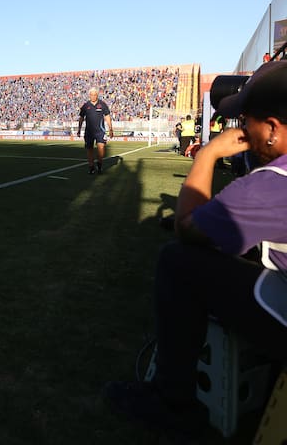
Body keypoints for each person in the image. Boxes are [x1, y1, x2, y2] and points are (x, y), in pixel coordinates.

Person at [103, 60, 287, 441]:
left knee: (178, 262)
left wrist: (206, 155)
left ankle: (172, 402)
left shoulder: (272, 184)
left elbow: (189, 228)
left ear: (271, 127)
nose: (239, 130)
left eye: (245, 120)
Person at [77, 86, 114, 174]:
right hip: (89, 132)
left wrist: (110, 129)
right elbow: (81, 118)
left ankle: (99, 164)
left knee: (101, 148)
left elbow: (107, 116)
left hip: (100, 131)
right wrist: (79, 129)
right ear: (89, 95)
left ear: (97, 95)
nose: (93, 96)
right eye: (91, 95)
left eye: (94, 95)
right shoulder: (86, 106)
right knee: (89, 150)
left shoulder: (102, 104)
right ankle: (91, 167)